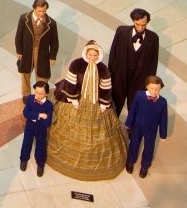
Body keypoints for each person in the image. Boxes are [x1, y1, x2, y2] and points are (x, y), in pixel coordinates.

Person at [48, 40, 127, 180]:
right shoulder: (76, 65)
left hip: (95, 102)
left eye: (94, 55)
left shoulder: (103, 69)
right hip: (78, 99)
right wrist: (73, 99)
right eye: (90, 54)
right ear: (86, 53)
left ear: (98, 55)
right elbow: (70, 83)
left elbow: (106, 87)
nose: (92, 57)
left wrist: (104, 103)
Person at [108, 7, 160, 116]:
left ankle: (132, 131)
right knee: (115, 105)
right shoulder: (121, 31)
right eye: (137, 24)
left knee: (135, 107)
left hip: (139, 80)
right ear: (133, 21)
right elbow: (113, 53)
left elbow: (153, 62)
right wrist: (110, 74)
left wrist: (150, 83)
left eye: (144, 25)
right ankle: (112, 129)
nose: (140, 28)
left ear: (147, 22)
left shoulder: (154, 38)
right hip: (120, 77)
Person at [124, 75, 168, 178]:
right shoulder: (139, 96)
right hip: (137, 126)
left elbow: (163, 119)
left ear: (160, 88)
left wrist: (163, 134)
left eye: (157, 89)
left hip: (152, 128)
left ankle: (145, 165)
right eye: (152, 88)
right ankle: (130, 161)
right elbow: (133, 110)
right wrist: (129, 123)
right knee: (134, 144)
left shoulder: (162, 102)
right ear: (147, 86)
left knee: (149, 147)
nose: (154, 91)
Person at [14, 0, 59, 97]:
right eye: (40, 11)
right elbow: (19, 36)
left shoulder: (52, 23)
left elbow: (54, 42)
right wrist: (19, 50)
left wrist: (53, 56)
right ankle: (26, 95)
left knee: (42, 75)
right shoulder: (24, 18)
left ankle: (42, 95)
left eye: (44, 11)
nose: (42, 13)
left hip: (42, 52)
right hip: (27, 51)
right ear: (34, 8)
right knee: (25, 73)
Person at [19, 80, 53, 177]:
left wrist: (44, 120)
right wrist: (39, 115)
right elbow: (25, 113)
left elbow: (48, 121)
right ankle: (24, 159)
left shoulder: (49, 105)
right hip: (29, 126)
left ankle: (40, 164)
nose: (37, 95)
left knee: (41, 146)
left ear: (46, 93)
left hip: (41, 129)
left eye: (41, 93)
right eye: (36, 92)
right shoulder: (30, 99)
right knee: (26, 142)